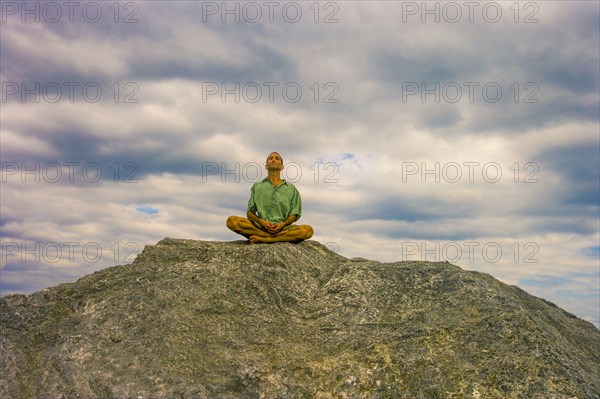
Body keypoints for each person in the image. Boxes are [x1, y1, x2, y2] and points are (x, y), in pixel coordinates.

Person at [226, 152, 314, 244]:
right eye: (270, 158)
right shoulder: (257, 187)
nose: (273, 159)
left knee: (308, 230)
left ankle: (267, 239)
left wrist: (283, 224)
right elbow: (250, 213)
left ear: (282, 166)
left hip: (283, 228)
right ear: (266, 166)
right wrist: (261, 222)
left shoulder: (291, 189)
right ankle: (274, 237)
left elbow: (295, 214)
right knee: (232, 221)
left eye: (277, 158)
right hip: (260, 227)